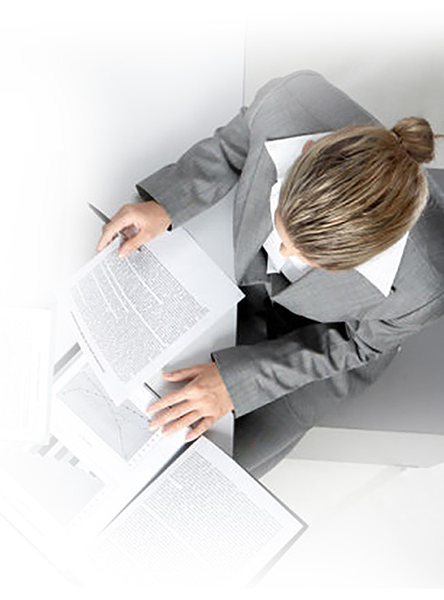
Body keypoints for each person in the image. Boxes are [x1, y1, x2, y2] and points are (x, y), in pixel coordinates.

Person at [96, 70, 444, 478]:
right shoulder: (289, 103)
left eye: (310, 258)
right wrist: (166, 204)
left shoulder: (425, 289)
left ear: (374, 251)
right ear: (306, 151)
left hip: (327, 342)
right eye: (282, 226)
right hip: (235, 280)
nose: (281, 253)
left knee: (206, 472)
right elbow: (233, 146)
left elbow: (356, 345)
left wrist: (236, 384)